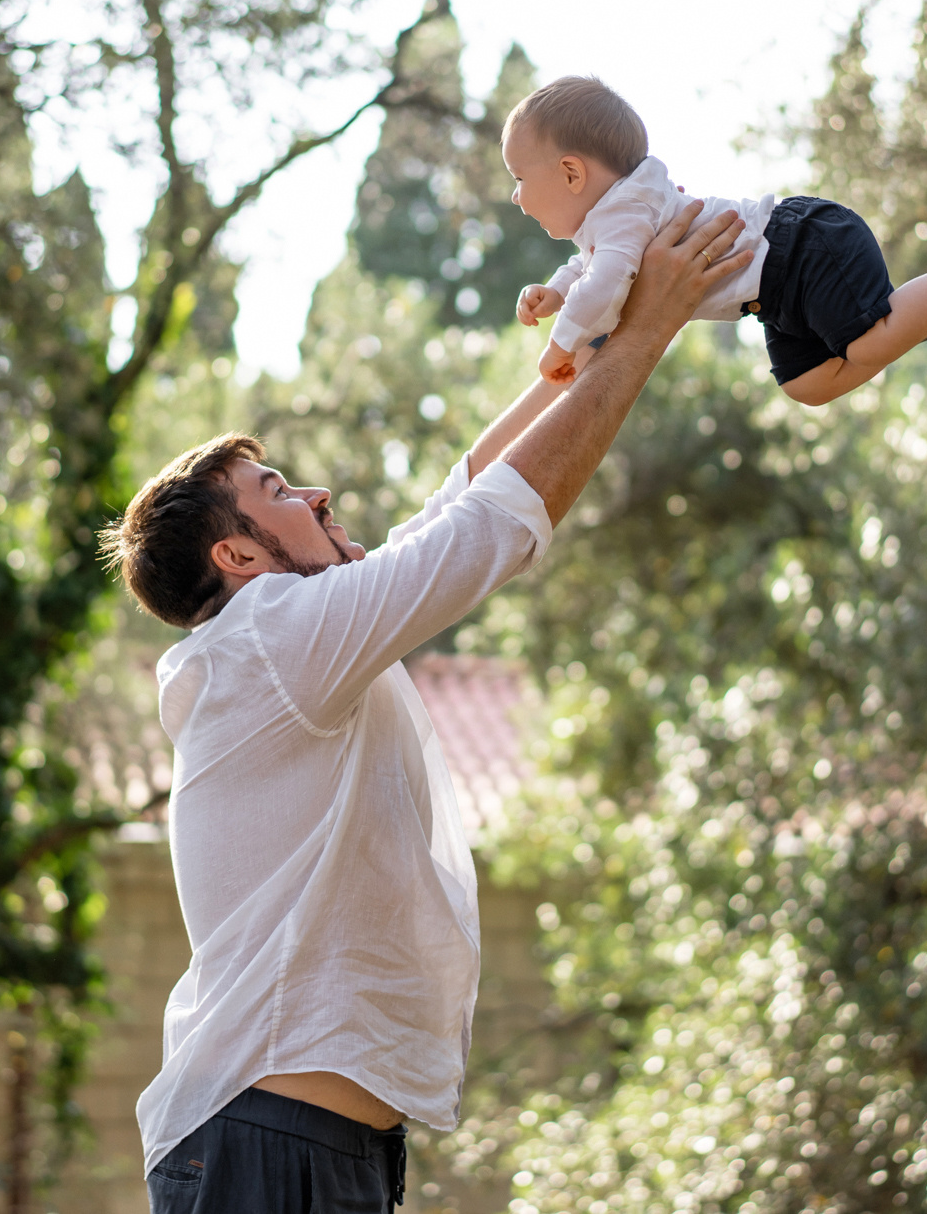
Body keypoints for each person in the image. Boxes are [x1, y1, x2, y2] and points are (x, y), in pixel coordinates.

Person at [99, 202, 753, 1213]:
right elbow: (484, 529)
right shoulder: (272, 636)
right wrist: (650, 330)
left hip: (307, 1143)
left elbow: (455, 504)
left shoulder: (292, 640)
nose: (315, 494)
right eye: (276, 491)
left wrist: (593, 338)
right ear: (236, 556)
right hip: (262, 1142)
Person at [503, 75, 927, 405]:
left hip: (801, 248)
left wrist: (561, 344)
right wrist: (554, 292)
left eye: (520, 179)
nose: (515, 197)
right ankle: (909, 316)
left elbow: (604, 283)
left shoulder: (623, 216)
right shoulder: (615, 222)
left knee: (865, 345)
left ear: (572, 173)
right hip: (775, 294)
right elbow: (590, 269)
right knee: (807, 385)